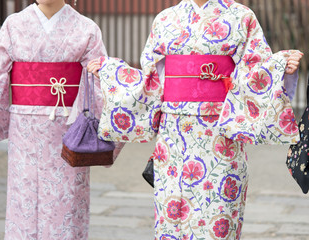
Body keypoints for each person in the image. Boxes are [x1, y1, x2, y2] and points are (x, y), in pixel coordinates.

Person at [88, 0, 303, 239]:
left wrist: (280, 67)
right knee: (173, 216)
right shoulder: (166, 19)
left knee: (219, 213)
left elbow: (256, 72)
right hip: (174, 135)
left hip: (221, 136)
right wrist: (111, 72)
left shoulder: (242, 16)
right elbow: (151, 83)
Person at [0, 0, 123, 239]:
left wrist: (102, 72)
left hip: (68, 129)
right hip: (25, 130)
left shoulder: (86, 28)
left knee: (66, 202)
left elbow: (103, 85)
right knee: (24, 198)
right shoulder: (14, 25)